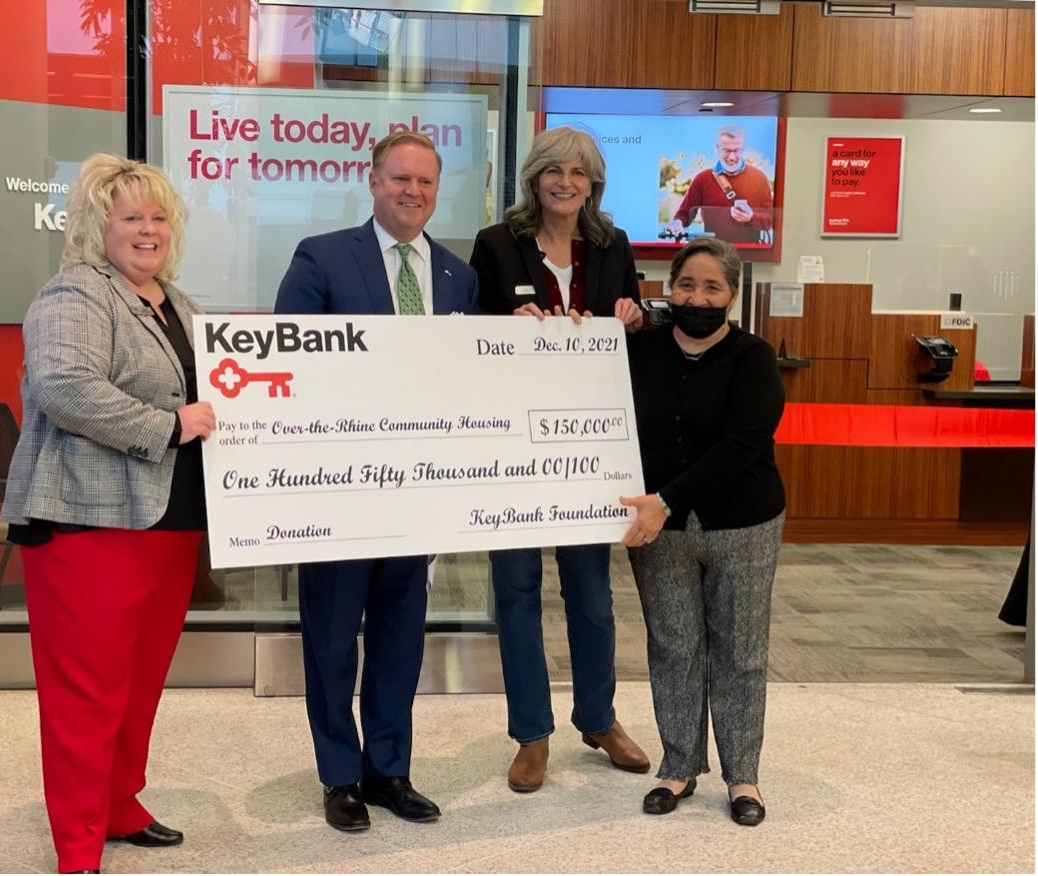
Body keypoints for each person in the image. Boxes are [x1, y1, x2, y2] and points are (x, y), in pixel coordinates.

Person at [1, 153, 216, 873]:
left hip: (168, 523)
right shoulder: (74, 296)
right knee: (85, 693)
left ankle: (121, 803)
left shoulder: (178, 303)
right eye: (131, 217)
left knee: (140, 681)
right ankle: (78, 841)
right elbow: (65, 386)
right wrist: (168, 425)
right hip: (87, 525)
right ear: (99, 226)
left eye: (158, 217)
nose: (148, 230)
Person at [274, 131, 478, 832]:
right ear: (371, 181)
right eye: (398, 179)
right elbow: (289, 363)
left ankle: (388, 769)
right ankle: (338, 775)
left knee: (399, 634)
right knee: (332, 637)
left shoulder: (458, 276)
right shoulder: (322, 256)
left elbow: (470, 377)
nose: (411, 192)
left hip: (416, 492)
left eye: (423, 181)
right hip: (340, 487)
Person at [469, 125, 649, 794]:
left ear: (593, 183)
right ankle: (531, 734)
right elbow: (463, 330)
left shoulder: (612, 244)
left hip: (586, 448)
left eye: (578, 172)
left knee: (592, 597)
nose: (564, 181)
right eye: (553, 170)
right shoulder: (496, 244)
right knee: (516, 594)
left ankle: (598, 719)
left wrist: (633, 320)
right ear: (534, 178)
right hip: (510, 444)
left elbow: (632, 329)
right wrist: (497, 326)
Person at [619, 237, 785, 827]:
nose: (697, 296)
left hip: (743, 522)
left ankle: (744, 776)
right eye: (687, 284)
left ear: (732, 296)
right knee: (674, 646)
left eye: (712, 286)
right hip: (661, 530)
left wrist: (667, 499)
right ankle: (679, 766)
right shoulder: (641, 352)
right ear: (669, 288)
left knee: (740, 651)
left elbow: (743, 444)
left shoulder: (754, 357)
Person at [665, 125, 773, 244]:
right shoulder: (702, 179)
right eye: (727, 151)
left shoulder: (760, 178)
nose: (732, 157)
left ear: (743, 148)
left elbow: (771, 220)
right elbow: (684, 214)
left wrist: (751, 217)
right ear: (717, 148)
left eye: (737, 150)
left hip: (750, 253)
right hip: (713, 253)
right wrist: (677, 223)